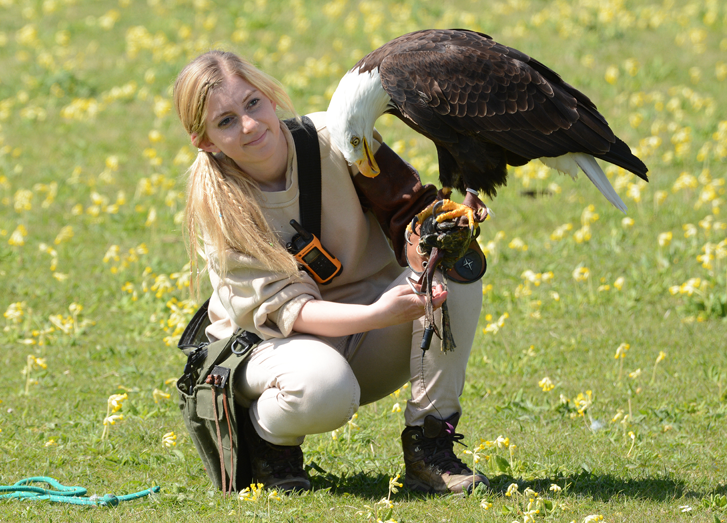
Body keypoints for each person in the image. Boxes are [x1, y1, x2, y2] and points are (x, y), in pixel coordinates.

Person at [172, 50, 489, 495]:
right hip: (272, 353)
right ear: (203, 140)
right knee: (324, 387)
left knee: (452, 268)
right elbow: (294, 312)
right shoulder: (218, 204)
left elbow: (409, 213)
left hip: (368, 330)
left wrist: (437, 230)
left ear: (270, 97)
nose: (249, 125)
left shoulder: (338, 135)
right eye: (225, 122)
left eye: (252, 104)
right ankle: (269, 439)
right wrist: (378, 314)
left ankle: (430, 447)